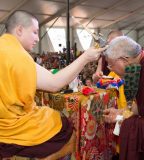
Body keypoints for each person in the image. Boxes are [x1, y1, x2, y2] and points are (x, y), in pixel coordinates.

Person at [0, 10, 106, 159]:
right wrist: (85, 58)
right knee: (63, 126)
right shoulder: (18, 56)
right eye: (35, 32)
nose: (37, 38)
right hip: (11, 128)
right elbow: (55, 84)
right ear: (19, 30)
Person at [103, 36, 144, 160]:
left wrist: (127, 123)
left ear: (124, 60)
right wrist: (120, 113)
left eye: (111, 65)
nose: (111, 70)